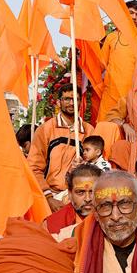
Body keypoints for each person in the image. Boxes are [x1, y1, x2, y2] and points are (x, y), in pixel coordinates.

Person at [28, 83, 94, 212]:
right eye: (67, 99)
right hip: (50, 195)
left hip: (80, 197)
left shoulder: (88, 130)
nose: (71, 103)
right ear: (59, 102)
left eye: (75, 99)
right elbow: (34, 167)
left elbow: (95, 165)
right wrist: (48, 197)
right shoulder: (45, 129)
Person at [97, 0, 137, 119]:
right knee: (105, 130)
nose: (134, 17)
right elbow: (99, 66)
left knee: (129, 134)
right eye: (131, 13)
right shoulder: (111, 37)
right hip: (110, 94)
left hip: (131, 97)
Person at [45, 164, 102, 235]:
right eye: (80, 192)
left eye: (93, 192)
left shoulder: (114, 219)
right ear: (70, 194)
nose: (87, 199)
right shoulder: (51, 224)